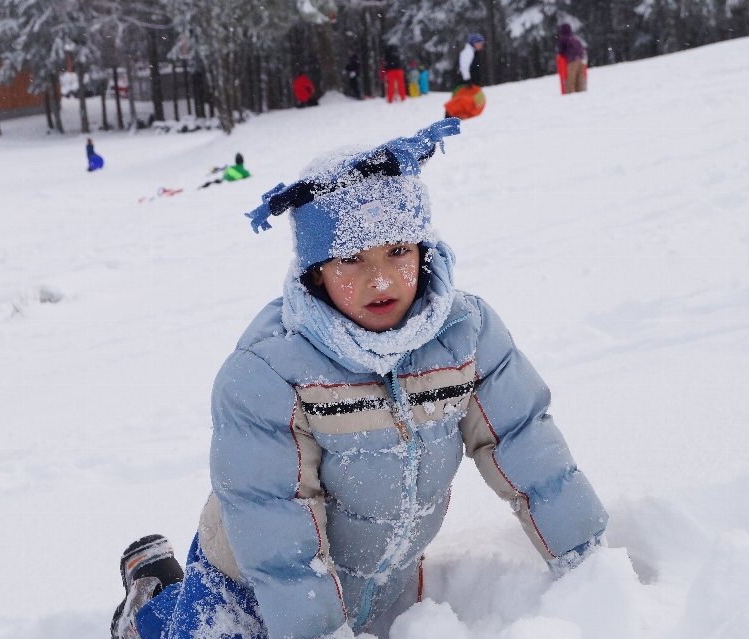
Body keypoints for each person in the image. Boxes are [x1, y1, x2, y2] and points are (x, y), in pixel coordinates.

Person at [111, 119, 608, 639]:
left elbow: (530, 453)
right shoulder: (271, 371)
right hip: (255, 578)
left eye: (398, 251)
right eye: (351, 258)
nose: (380, 279)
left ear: (424, 249)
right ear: (315, 273)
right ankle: (151, 591)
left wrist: (588, 564)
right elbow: (278, 529)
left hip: (384, 573)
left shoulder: (468, 337)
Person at [556, 23, 587, 95]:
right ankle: (582, 95)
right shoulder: (576, 39)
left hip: (572, 60)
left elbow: (560, 52)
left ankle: (571, 97)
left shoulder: (563, 39)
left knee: (571, 81)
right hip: (582, 60)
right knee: (579, 80)